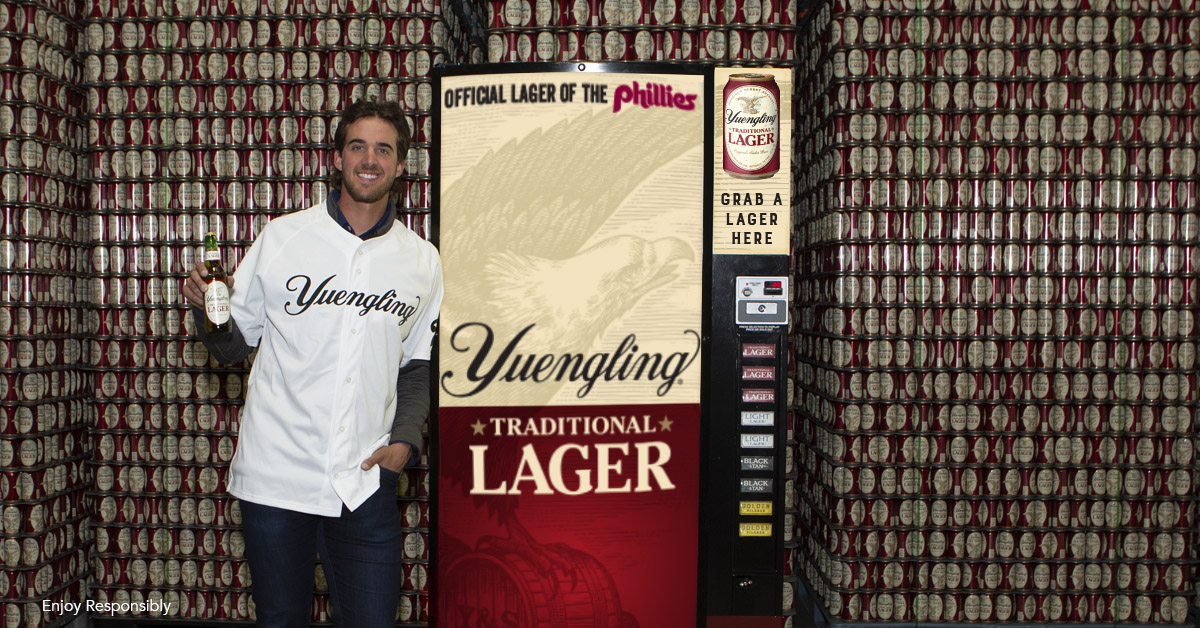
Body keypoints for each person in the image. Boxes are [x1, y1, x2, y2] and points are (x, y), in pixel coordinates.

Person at [181, 99, 443, 628]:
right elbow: (234, 348)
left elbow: (418, 364)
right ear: (338, 157)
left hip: (365, 480)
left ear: (400, 165)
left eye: (383, 149)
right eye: (357, 146)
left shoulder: (422, 259)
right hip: (277, 479)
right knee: (281, 619)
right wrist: (212, 314)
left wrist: (405, 444)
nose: (369, 158)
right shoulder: (283, 237)